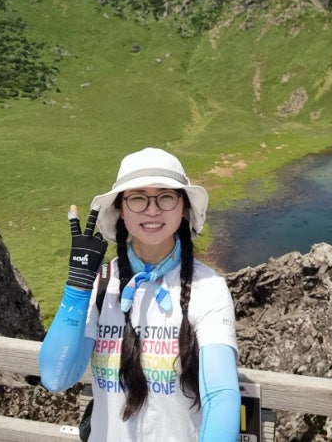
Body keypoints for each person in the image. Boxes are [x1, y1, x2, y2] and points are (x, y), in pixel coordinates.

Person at [39, 147, 241, 441]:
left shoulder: (208, 287)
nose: (152, 210)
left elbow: (221, 396)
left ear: (183, 207)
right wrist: (77, 287)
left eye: (166, 196)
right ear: (121, 210)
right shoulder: (101, 284)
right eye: (137, 198)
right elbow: (56, 377)